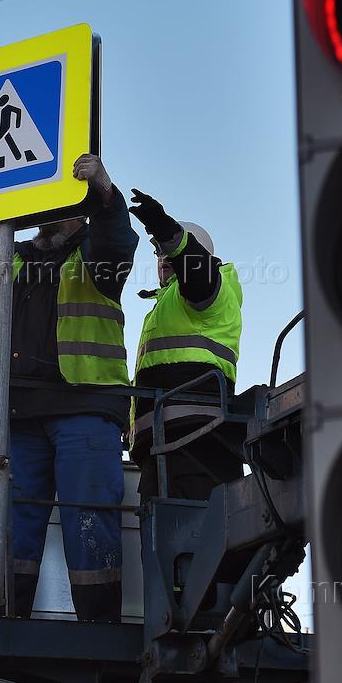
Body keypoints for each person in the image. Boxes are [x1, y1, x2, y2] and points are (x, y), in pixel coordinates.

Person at [0, 154, 137, 622]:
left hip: (85, 408)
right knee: (14, 526)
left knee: (89, 520)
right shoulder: (15, 258)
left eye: (57, 207)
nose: (46, 216)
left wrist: (105, 191)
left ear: (77, 213)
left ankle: (99, 630)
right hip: (24, 413)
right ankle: (6, 625)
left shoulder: (98, 259)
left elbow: (118, 237)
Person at [127, 188, 244, 502]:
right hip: (162, 448)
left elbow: (194, 269)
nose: (163, 258)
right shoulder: (164, 306)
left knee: (197, 544)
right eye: (159, 253)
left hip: (200, 446)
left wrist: (163, 228)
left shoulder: (211, 291)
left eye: (168, 251)